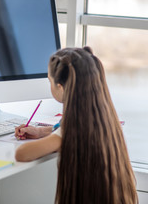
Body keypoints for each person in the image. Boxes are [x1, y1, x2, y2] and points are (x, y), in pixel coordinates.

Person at [15, 47, 138, 204]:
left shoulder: (69, 133)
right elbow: (63, 131)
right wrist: (40, 132)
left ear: (60, 87)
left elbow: (22, 153)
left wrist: (54, 138)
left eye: (49, 81)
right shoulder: (104, 120)